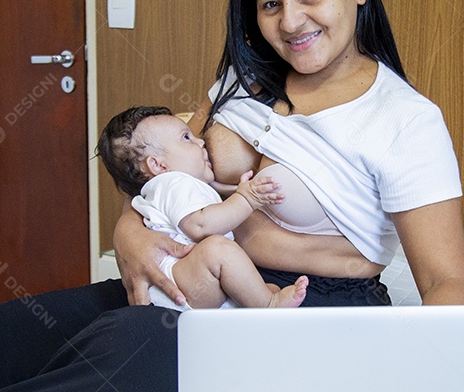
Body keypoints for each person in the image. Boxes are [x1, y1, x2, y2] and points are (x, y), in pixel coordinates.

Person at [0, 0, 464, 392]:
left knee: (125, 343)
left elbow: (446, 280)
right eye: (270, 4)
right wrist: (129, 233)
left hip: (305, 307)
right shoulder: (243, 80)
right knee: (1, 331)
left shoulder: (404, 120)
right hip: (198, 279)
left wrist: (431, 390)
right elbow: (163, 170)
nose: (290, 22)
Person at [98, 105, 309, 310]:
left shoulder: (167, 188)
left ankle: (259, 297)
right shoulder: (173, 183)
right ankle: (270, 304)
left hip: (183, 283)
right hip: (178, 285)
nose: (200, 142)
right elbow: (200, 225)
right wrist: (247, 199)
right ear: (159, 165)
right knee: (218, 249)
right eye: (186, 137)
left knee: (241, 271)